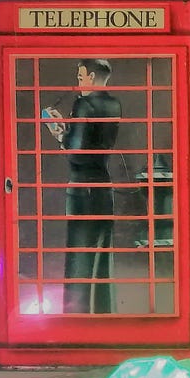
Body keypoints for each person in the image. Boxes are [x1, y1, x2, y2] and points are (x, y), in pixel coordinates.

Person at [50, 58, 122, 313]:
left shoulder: (84, 103)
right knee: (102, 260)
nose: (78, 83)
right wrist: (70, 132)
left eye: (80, 77)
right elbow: (93, 144)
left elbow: (77, 154)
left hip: (82, 189)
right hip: (104, 186)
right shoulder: (114, 104)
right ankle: (103, 314)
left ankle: (76, 318)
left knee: (79, 260)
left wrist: (61, 136)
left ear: (91, 77)